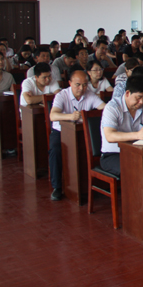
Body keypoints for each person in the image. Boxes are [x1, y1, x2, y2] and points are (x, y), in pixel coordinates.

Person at [48, 70, 105, 200]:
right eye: (77, 85)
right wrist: (70, 116)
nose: (81, 88)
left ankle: (91, 183)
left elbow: (104, 108)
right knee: (55, 150)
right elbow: (53, 115)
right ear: (70, 83)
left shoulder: (90, 95)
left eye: (84, 85)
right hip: (61, 132)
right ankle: (57, 187)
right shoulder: (62, 95)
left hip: (82, 131)